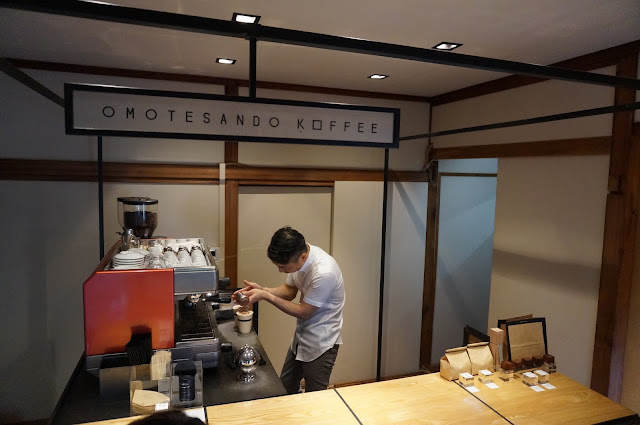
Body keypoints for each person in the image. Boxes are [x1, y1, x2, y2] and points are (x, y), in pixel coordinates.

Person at [234, 226, 345, 394]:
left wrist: (266, 296)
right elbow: (289, 291)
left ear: (303, 257)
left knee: (316, 396)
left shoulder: (324, 272)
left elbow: (305, 311)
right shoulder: (300, 257)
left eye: (284, 267)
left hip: (322, 341)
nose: (281, 270)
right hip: (302, 336)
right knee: (286, 388)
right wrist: (262, 289)